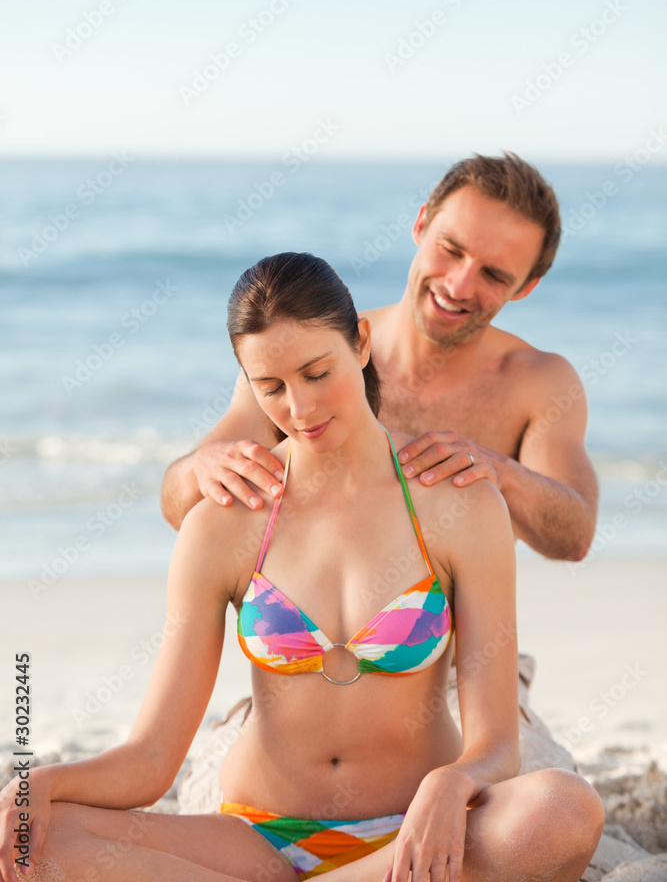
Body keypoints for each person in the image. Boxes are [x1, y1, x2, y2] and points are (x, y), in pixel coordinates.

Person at [0, 253, 604, 882]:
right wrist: (41, 781)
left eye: (318, 372)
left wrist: (457, 781)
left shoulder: (457, 504)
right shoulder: (226, 522)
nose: (301, 407)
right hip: (254, 839)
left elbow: (497, 743)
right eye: (271, 388)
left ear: (361, 344)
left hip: (409, 840)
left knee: (562, 810)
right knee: (31, 837)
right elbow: (152, 758)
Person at [161, 153, 599, 566]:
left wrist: (500, 471)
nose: (459, 285)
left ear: (525, 287)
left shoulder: (541, 382)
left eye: (493, 274)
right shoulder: (316, 355)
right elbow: (180, 505)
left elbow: (575, 538)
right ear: (422, 223)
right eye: (451, 249)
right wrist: (202, 467)